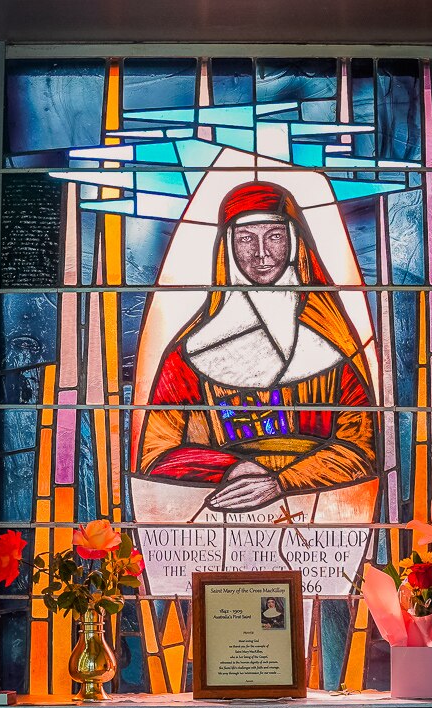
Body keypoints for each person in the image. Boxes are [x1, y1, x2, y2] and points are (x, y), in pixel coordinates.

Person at [135, 181, 378, 514]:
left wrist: (282, 481)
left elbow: (361, 449)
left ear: (294, 243)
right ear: (228, 248)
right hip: (216, 520)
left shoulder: (333, 350)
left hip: (326, 514)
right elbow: (156, 455)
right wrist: (232, 469)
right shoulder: (188, 358)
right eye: (246, 238)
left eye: (275, 236)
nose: (261, 253)